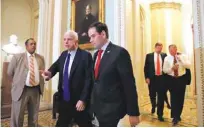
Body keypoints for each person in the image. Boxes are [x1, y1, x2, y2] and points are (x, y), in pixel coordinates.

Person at [88, 22, 140, 127]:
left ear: (103, 34)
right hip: (98, 108)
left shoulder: (119, 53)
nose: (90, 40)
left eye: (93, 36)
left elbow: (129, 85)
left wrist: (133, 112)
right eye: (90, 37)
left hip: (112, 109)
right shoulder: (96, 55)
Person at [41, 30, 93, 127]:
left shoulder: (85, 56)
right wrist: (49, 73)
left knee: (85, 124)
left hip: (78, 102)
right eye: (64, 39)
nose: (65, 42)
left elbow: (88, 80)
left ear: (76, 41)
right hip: (64, 99)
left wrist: (83, 99)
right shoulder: (63, 54)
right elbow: (55, 67)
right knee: (61, 124)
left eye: (69, 39)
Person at [7, 38, 45, 127]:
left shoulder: (40, 58)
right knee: (18, 116)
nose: (33, 46)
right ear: (26, 46)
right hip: (21, 90)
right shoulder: (17, 57)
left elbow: (42, 72)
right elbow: (9, 72)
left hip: (35, 90)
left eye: (35, 44)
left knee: (34, 116)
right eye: (31, 44)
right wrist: (18, 82)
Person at [163, 44, 191, 126]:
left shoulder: (183, 56)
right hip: (172, 80)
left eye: (173, 50)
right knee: (173, 98)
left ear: (176, 49)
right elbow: (164, 70)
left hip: (181, 79)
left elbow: (188, 66)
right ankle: (175, 117)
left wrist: (181, 60)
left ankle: (178, 115)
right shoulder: (167, 58)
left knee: (180, 98)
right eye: (170, 50)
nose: (171, 52)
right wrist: (172, 68)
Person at [144, 43, 171, 121]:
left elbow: (167, 65)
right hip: (152, 78)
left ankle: (160, 114)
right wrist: (147, 77)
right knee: (152, 94)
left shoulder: (164, 55)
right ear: (155, 48)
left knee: (161, 97)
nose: (160, 49)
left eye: (161, 48)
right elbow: (146, 68)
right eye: (158, 48)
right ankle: (153, 105)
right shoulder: (149, 56)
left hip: (162, 78)